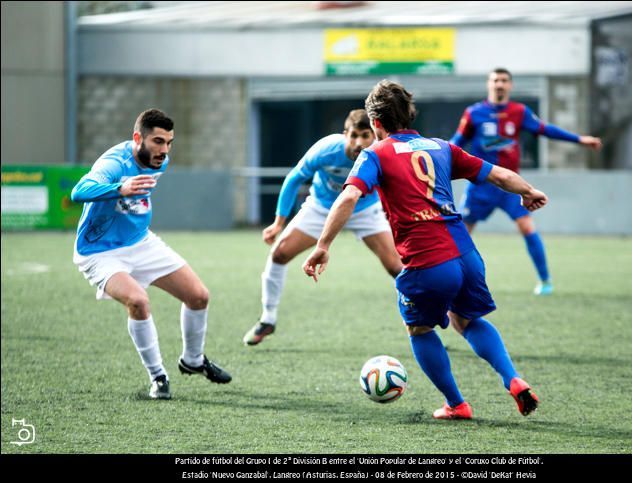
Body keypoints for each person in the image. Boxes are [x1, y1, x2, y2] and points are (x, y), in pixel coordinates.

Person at [303, 80, 545, 420]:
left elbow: (349, 196)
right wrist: (528, 191)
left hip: (427, 261)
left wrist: (323, 245)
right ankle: (513, 378)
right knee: (467, 319)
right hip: (466, 256)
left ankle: (456, 404)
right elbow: (498, 175)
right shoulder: (441, 147)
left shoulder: (376, 153)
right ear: (410, 114)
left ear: (376, 122)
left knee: (419, 329)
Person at [71, 108, 231, 400]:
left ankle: (193, 360)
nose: (164, 150)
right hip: (100, 251)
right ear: (137, 139)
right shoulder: (113, 163)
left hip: (141, 242)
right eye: (158, 141)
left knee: (198, 296)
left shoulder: (160, 161)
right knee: (138, 301)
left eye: (169, 142)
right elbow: (79, 191)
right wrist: (120, 188)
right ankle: (158, 376)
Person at [243, 109, 403, 346]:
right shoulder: (327, 149)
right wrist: (278, 223)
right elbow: (294, 179)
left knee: (397, 268)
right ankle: (268, 318)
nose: (359, 142)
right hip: (321, 208)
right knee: (279, 254)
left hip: (365, 210)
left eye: (365, 136)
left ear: (374, 136)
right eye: (354, 135)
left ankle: (420, 323)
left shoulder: (381, 153)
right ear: (345, 134)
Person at [451, 67, 602, 295]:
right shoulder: (474, 113)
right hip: (481, 185)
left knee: (527, 227)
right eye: (495, 80)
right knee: (463, 232)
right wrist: (435, 155)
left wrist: (580, 140)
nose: (499, 84)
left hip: (511, 186)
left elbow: (546, 130)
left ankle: (545, 281)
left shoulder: (519, 112)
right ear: (489, 84)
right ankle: (453, 281)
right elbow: (456, 142)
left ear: (510, 85)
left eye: (504, 80)